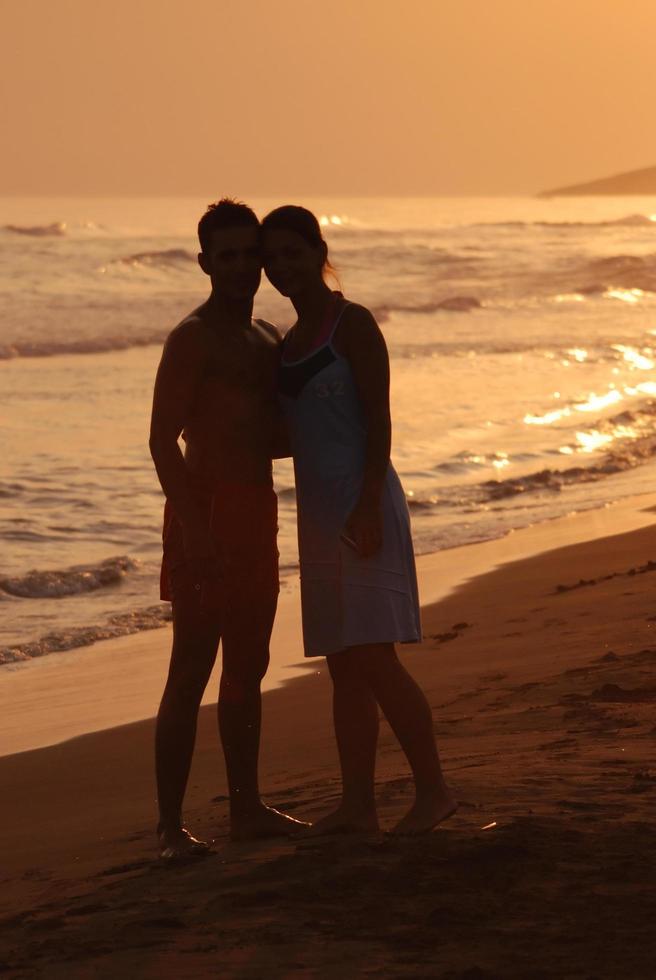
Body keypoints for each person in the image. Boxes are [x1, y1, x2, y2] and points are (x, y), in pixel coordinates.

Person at [261, 205, 457, 835]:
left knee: (375, 659)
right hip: (317, 520)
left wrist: (369, 503)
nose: (282, 266)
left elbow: (380, 421)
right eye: (273, 258)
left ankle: (434, 792)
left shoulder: (353, 324)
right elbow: (290, 436)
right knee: (343, 665)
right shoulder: (286, 343)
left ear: (319, 251)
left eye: (293, 252)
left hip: (363, 505)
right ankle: (358, 804)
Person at [150, 198, 308, 860]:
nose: (243, 266)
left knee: (251, 663)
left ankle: (247, 808)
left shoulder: (267, 337)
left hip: (257, 510)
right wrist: (196, 532)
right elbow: (162, 442)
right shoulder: (194, 338)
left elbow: (264, 435)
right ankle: (169, 828)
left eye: (252, 254)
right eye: (229, 255)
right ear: (205, 263)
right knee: (191, 667)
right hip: (205, 512)